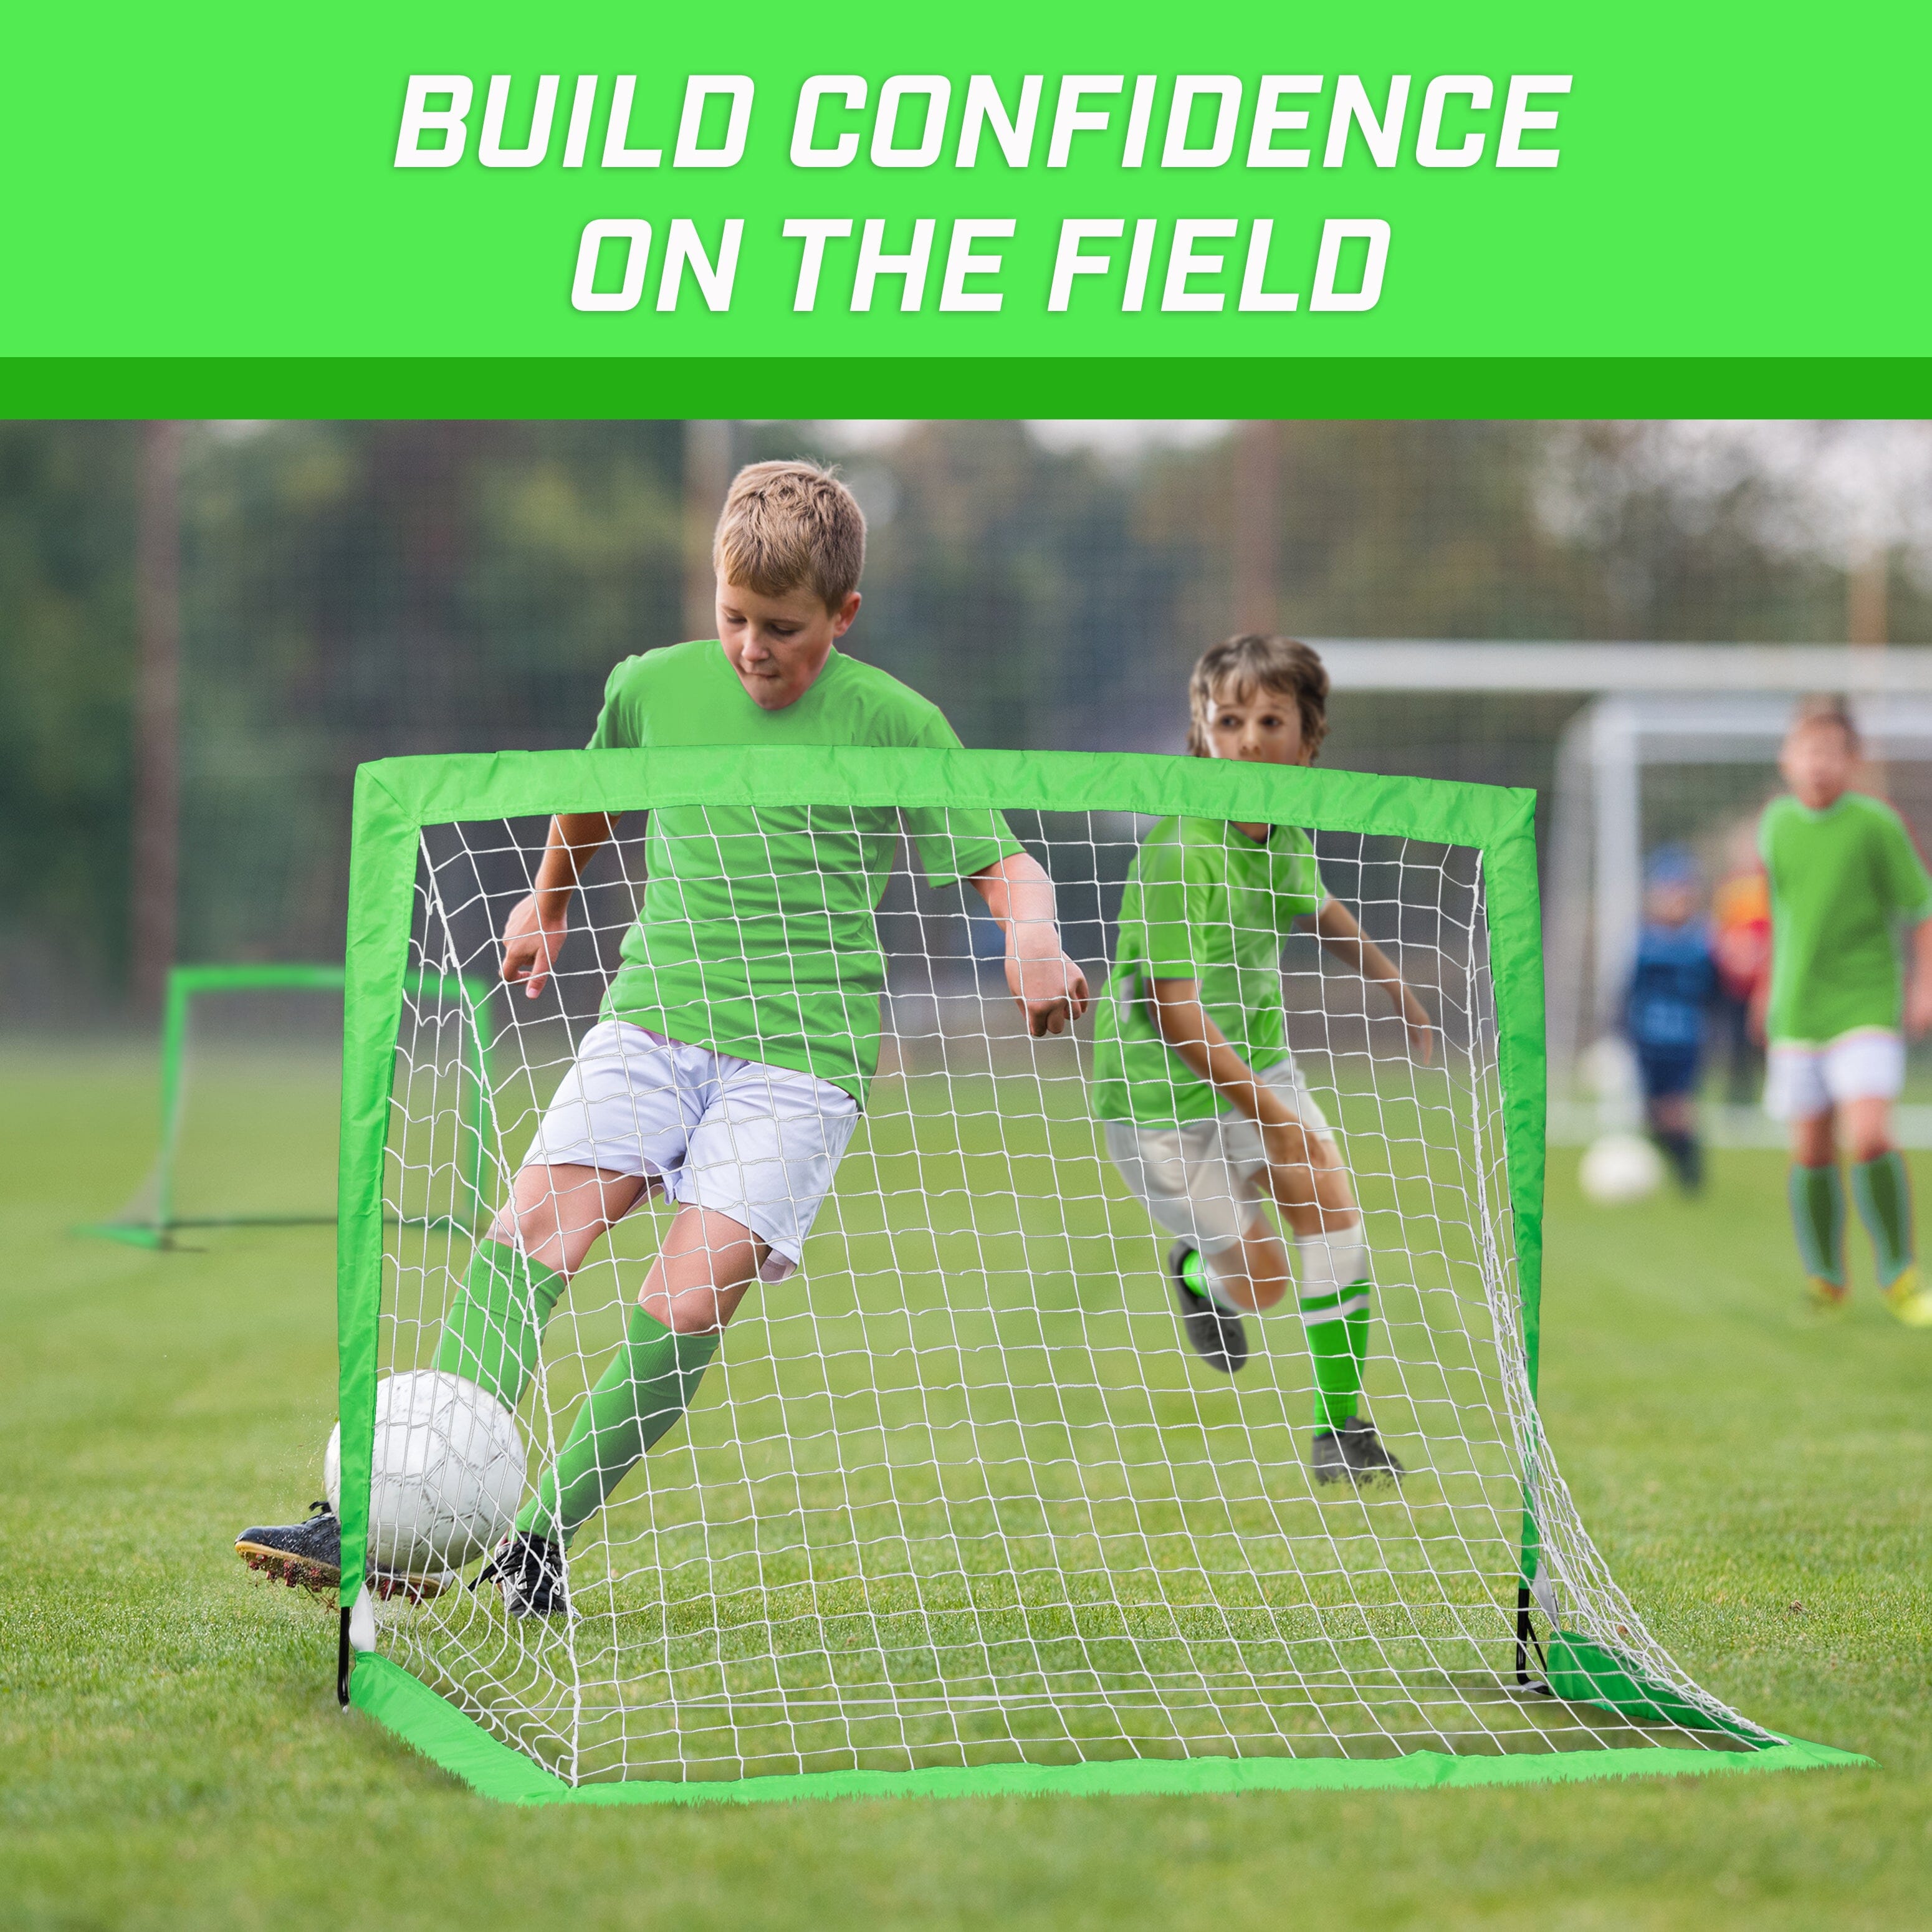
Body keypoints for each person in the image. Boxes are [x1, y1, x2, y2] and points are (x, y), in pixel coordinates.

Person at [237, 459, 1089, 1611]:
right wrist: (548, 899)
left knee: (687, 1300)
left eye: (783, 629)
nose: (752, 648)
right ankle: (386, 1514)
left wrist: (1031, 941)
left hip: (798, 1068)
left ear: (843, 616)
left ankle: (538, 1540)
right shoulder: (652, 685)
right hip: (651, 1022)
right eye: (733, 617)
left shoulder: (899, 724)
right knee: (530, 1232)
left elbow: (1007, 865)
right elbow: (594, 793)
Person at [1089, 634, 1433, 1486]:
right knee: (1265, 1285)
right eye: (1228, 719)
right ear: (1201, 736)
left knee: (1333, 1207)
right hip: (1159, 1097)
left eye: (1270, 719)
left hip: (1260, 1064)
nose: (1247, 738)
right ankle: (1199, 1270)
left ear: (1308, 741)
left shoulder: (1280, 832)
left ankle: (1340, 1433)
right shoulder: (1179, 853)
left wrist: (1392, 980)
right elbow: (1175, 1018)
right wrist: (1271, 1115)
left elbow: (1315, 909)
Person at [1756, 697, 1932, 1322]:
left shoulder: (1875, 825)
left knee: (1869, 1135)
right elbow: (1785, 917)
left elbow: (1920, 909)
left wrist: (1923, 986)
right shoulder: (1773, 827)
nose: (1818, 764)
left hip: (1864, 1002)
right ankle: (1826, 1276)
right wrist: (1764, 990)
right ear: (1786, 759)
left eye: (1831, 752)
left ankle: (1899, 1274)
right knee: (1809, 1151)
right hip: (1798, 1010)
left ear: (1853, 761)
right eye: (1807, 750)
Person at [1623, 846, 1717, 1192]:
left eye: (1683, 892)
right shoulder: (1643, 942)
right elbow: (1627, 993)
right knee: (1654, 1115)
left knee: (1678, 1109)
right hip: (1648, 1041)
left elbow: (1716, 993)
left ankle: (1692, 1177)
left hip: (1685, 1041)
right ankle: (1671, 1161)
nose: (1677, 901)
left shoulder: (1703, 942)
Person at [1710, 824, 1772, 1104]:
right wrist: (1734, 957)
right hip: (1735, 984)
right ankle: (1740, 1099)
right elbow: (1721, 933)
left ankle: (1775, 1097)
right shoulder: (1729, 887)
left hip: (1764, 981)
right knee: (1736, 1044)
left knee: (1767, 1042)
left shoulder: (1768, 885)